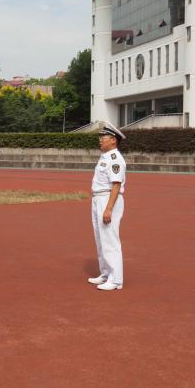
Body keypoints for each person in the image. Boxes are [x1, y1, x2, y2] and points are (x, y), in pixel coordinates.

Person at [88, 122, 127, 291]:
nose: (100, 140)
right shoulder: (105, 157)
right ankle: (105, 273)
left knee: (110, 239)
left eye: (103, 137)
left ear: (113, 140)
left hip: (108, 198)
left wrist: (109, 208)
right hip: (98, 198)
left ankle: (116, 279)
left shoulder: (115, 159)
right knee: (100, 238)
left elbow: (116, 185)